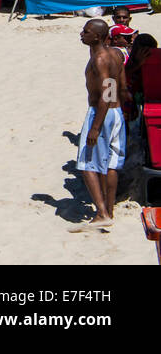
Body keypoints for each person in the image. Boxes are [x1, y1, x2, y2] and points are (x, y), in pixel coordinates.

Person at [70, 18, 125, 232]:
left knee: (87, 165)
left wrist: (95, 126)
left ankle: (101, 213)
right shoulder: (116, 54)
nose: (82, 34)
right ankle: (108, 211)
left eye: (87, 31)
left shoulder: (100, 59)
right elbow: (120, 84)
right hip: (116, 113)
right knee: (111, 164)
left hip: (101, 112)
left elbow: (106, 92)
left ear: (98, 36)